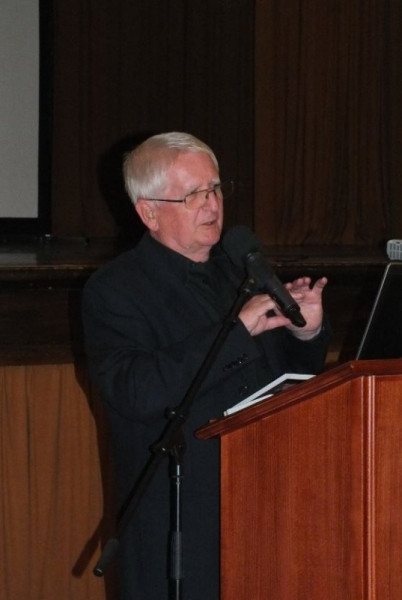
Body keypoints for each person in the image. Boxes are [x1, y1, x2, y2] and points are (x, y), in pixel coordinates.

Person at [82, 132, 330, 599]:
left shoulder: (242, 270)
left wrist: (305, 332)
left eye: (214, 188)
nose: (211, 204)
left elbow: (286, 378)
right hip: (181, 518)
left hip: (268, 502)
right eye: (192, 194)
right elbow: (136, 391)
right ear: (149, 212)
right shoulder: (115, 290)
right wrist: (238, 329)